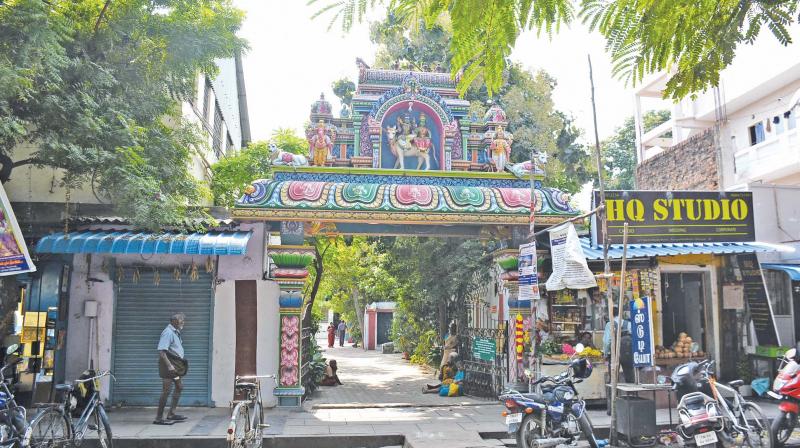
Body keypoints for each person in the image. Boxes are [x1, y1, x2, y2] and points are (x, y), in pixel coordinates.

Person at [154, 313, 188, 425]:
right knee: (166, 391)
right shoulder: (168, 333)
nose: (183, 322)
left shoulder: (176, 332)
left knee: (179, 386)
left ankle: (171, 414)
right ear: (174, 321)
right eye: (181, 321)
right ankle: (158, 418)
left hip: (175, 366)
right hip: (168, 367)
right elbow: (162, 352)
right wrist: (169, 366)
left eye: (183, 320)